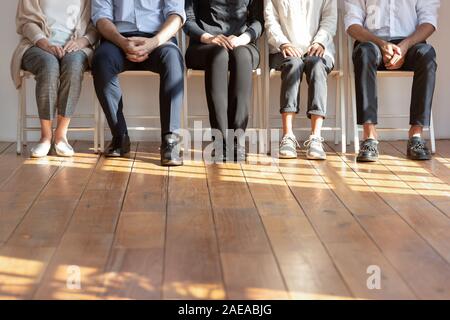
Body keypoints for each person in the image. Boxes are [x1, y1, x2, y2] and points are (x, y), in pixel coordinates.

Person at [91, 0, 185, 166]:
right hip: (118, 39)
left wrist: (153, 42)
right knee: (101, 60)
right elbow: (101, 17)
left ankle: (170, 141)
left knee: (172, 59)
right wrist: (122, 42)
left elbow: (176, 15)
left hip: (158, 39)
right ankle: (120, 137)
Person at [345, 0, 440, 162]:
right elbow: (352, 24)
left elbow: (429, 21)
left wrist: (405, 46)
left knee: (427, 55)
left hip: (410, 43)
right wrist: (381, 44)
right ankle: (369, 136)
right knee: (364, 53)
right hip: (372, 42)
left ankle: (416, 135)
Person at [11, 0, 98, 158]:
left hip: (76, 47)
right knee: (49, 66)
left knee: (74, 65)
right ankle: (45, 137)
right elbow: (26, 21)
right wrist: (45, 44)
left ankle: (60, 136)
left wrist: (81, 41)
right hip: (36, 46)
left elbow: (96, 24)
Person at [184, 0, 264, 162]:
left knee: (241, 56)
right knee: (219, 55)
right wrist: (208, 38)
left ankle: (236, 143)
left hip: (243, 44)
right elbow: (188, 20)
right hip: (204, 45)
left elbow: (258, 22)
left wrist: (242, 39)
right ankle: (220, 143)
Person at [265, 0, 337, 160]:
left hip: (319, 48)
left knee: (317, 65)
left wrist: (320, 41)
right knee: (293, 64)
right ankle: (288, 136)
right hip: (283, 49)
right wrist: (283, 43)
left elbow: (329, 19)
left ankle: (316, 138)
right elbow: (271, 21)